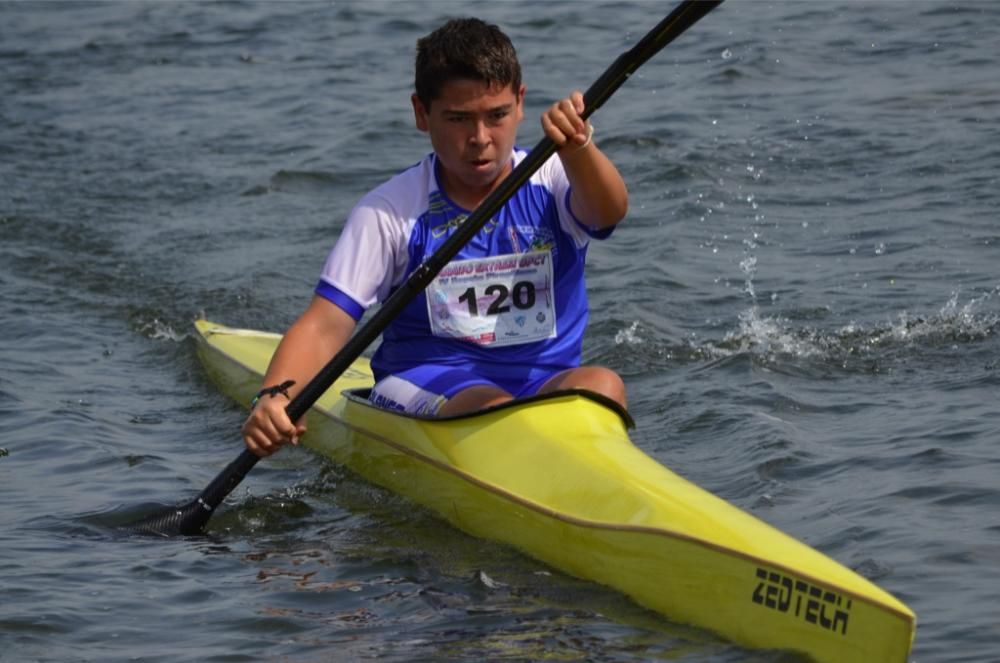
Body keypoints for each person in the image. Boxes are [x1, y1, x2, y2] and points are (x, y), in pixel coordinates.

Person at [242, 17, 628, 457]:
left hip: (542, 380)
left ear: (520, 103)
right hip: (425, 382)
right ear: (421, 114)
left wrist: (579, 148)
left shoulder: (556, 175)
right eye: (459, 119)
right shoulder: (390, 211)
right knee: (491, 407)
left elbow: (608, 212)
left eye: (497, 115)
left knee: (603, 385)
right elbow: (327, 324)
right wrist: (275, 395)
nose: (480, 138)